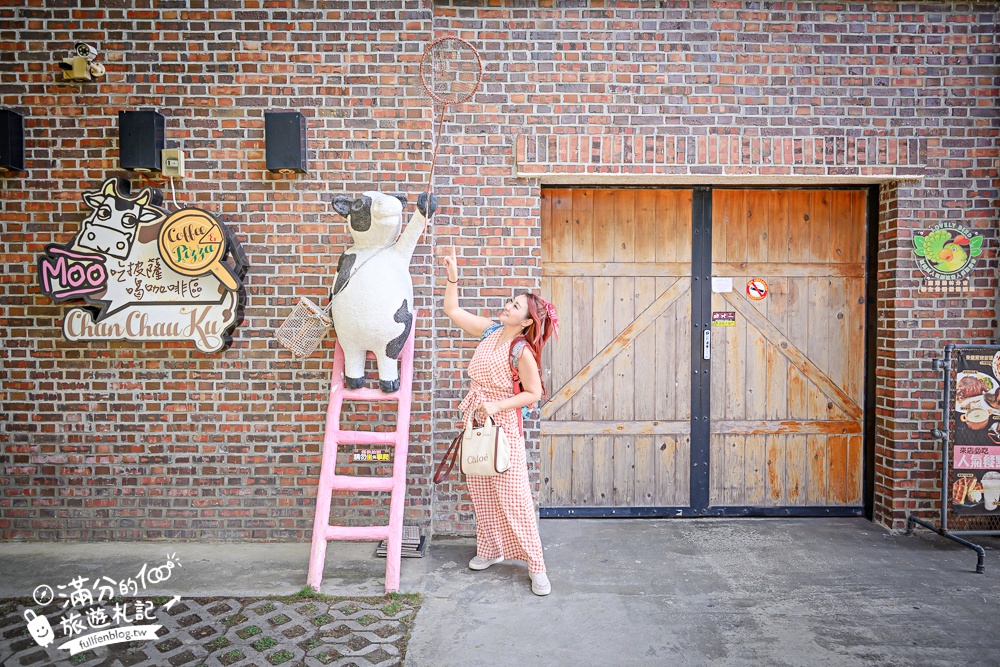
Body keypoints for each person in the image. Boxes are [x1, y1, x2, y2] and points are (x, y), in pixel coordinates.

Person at [440, 245, 559, 596]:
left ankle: (537, 566)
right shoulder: (491, 331)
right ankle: (491, 549)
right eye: (510, 301)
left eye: (516, 306)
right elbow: (452, 309)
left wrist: (495, 406)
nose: (508, 305)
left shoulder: (521, 351)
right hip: (476, 419)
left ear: (526, 321)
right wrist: (452, 276)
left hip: (503, 424)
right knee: (481, 489)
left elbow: (534, 393)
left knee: (515, 496)